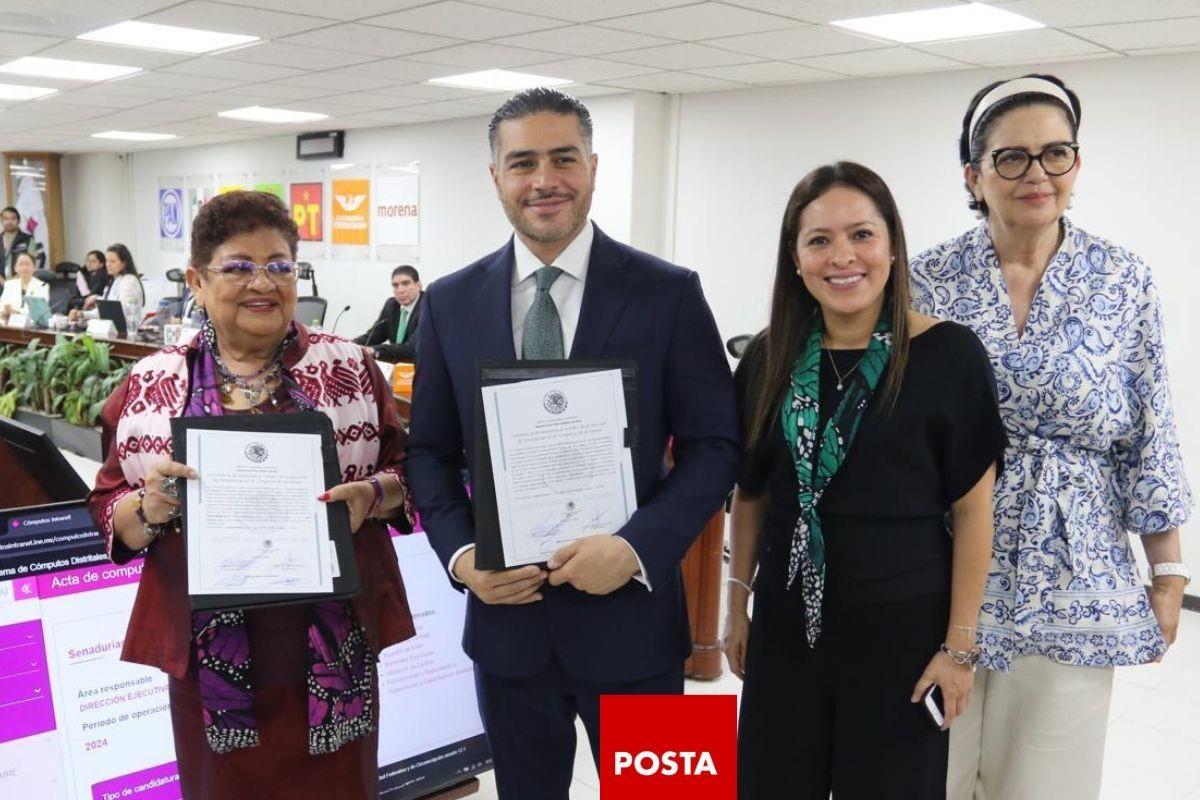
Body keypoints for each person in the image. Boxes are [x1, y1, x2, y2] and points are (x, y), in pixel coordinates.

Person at [405, 88, 740, 799]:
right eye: (522, 162)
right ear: (496, 176)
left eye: (563, 159)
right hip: (506, 630)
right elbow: (428, 453)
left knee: (669, 796)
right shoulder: (449, 302)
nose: (544, 180)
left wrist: (639, 548)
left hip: (639, 626)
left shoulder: (669, 293)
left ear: (593, 167)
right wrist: (465, 560)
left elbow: (717, 446)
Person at [909, 74, 1193, 800]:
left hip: (1077, 575)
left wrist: (1167, 574)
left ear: (1076, 164)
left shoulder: (1122, 279)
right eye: (1012, 157)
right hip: (939, 566)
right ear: (973, 175)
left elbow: (1150, 429)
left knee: (1044, 781)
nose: (1036, 173)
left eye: (1055, 154)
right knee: (928, 771)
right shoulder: (925, 281)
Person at [86, 190, 416, 799]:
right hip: (209, 653)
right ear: (197, 280)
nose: (263, 282)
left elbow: (408, 472)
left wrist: (374, 493)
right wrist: (149, 507)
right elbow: (109, 508)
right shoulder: (154, 383)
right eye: (238, 267)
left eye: (280, 265)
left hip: (333, 644)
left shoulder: (351, 368)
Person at [723, 162, 1005, 799]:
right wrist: (735, 602)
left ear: (893, 246)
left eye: (862, 235)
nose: (841, 257)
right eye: (818, 240)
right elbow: (752, 492)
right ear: (795, 259)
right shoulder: (769, 358)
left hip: (901, 638)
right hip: (787, 628)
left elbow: (974, 512)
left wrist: (958, 649)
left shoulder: (948, 356)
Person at [355, 264, 422, 361]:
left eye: (406, 284)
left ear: (418, 285)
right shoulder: (391, 305)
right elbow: (373, 336)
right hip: (396, 366)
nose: (400, 290)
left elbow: (412, 348)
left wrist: (374, 350)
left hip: (419, 367)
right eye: (395, 285)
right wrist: (348, 345)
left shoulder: (427, 307)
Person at [0, 250, 49, 325]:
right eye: (21, 264)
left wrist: (16, 312)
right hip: (8, 324)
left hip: (32, 326)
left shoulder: (42, 286)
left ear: (34, 268)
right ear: (15, 268)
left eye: (28, 264)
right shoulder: (9, 284)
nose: (24, 267)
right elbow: (2, 305)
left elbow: (38, 311)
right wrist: (5, 311)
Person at [0, 205, 37, 281]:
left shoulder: (28, 239)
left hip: (22, 284)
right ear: (1, 220)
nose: (9, 222)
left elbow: (32, 264)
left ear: (19, 221)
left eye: (13, 219)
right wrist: (2, 282)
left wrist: (14, 281)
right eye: (6, 219)